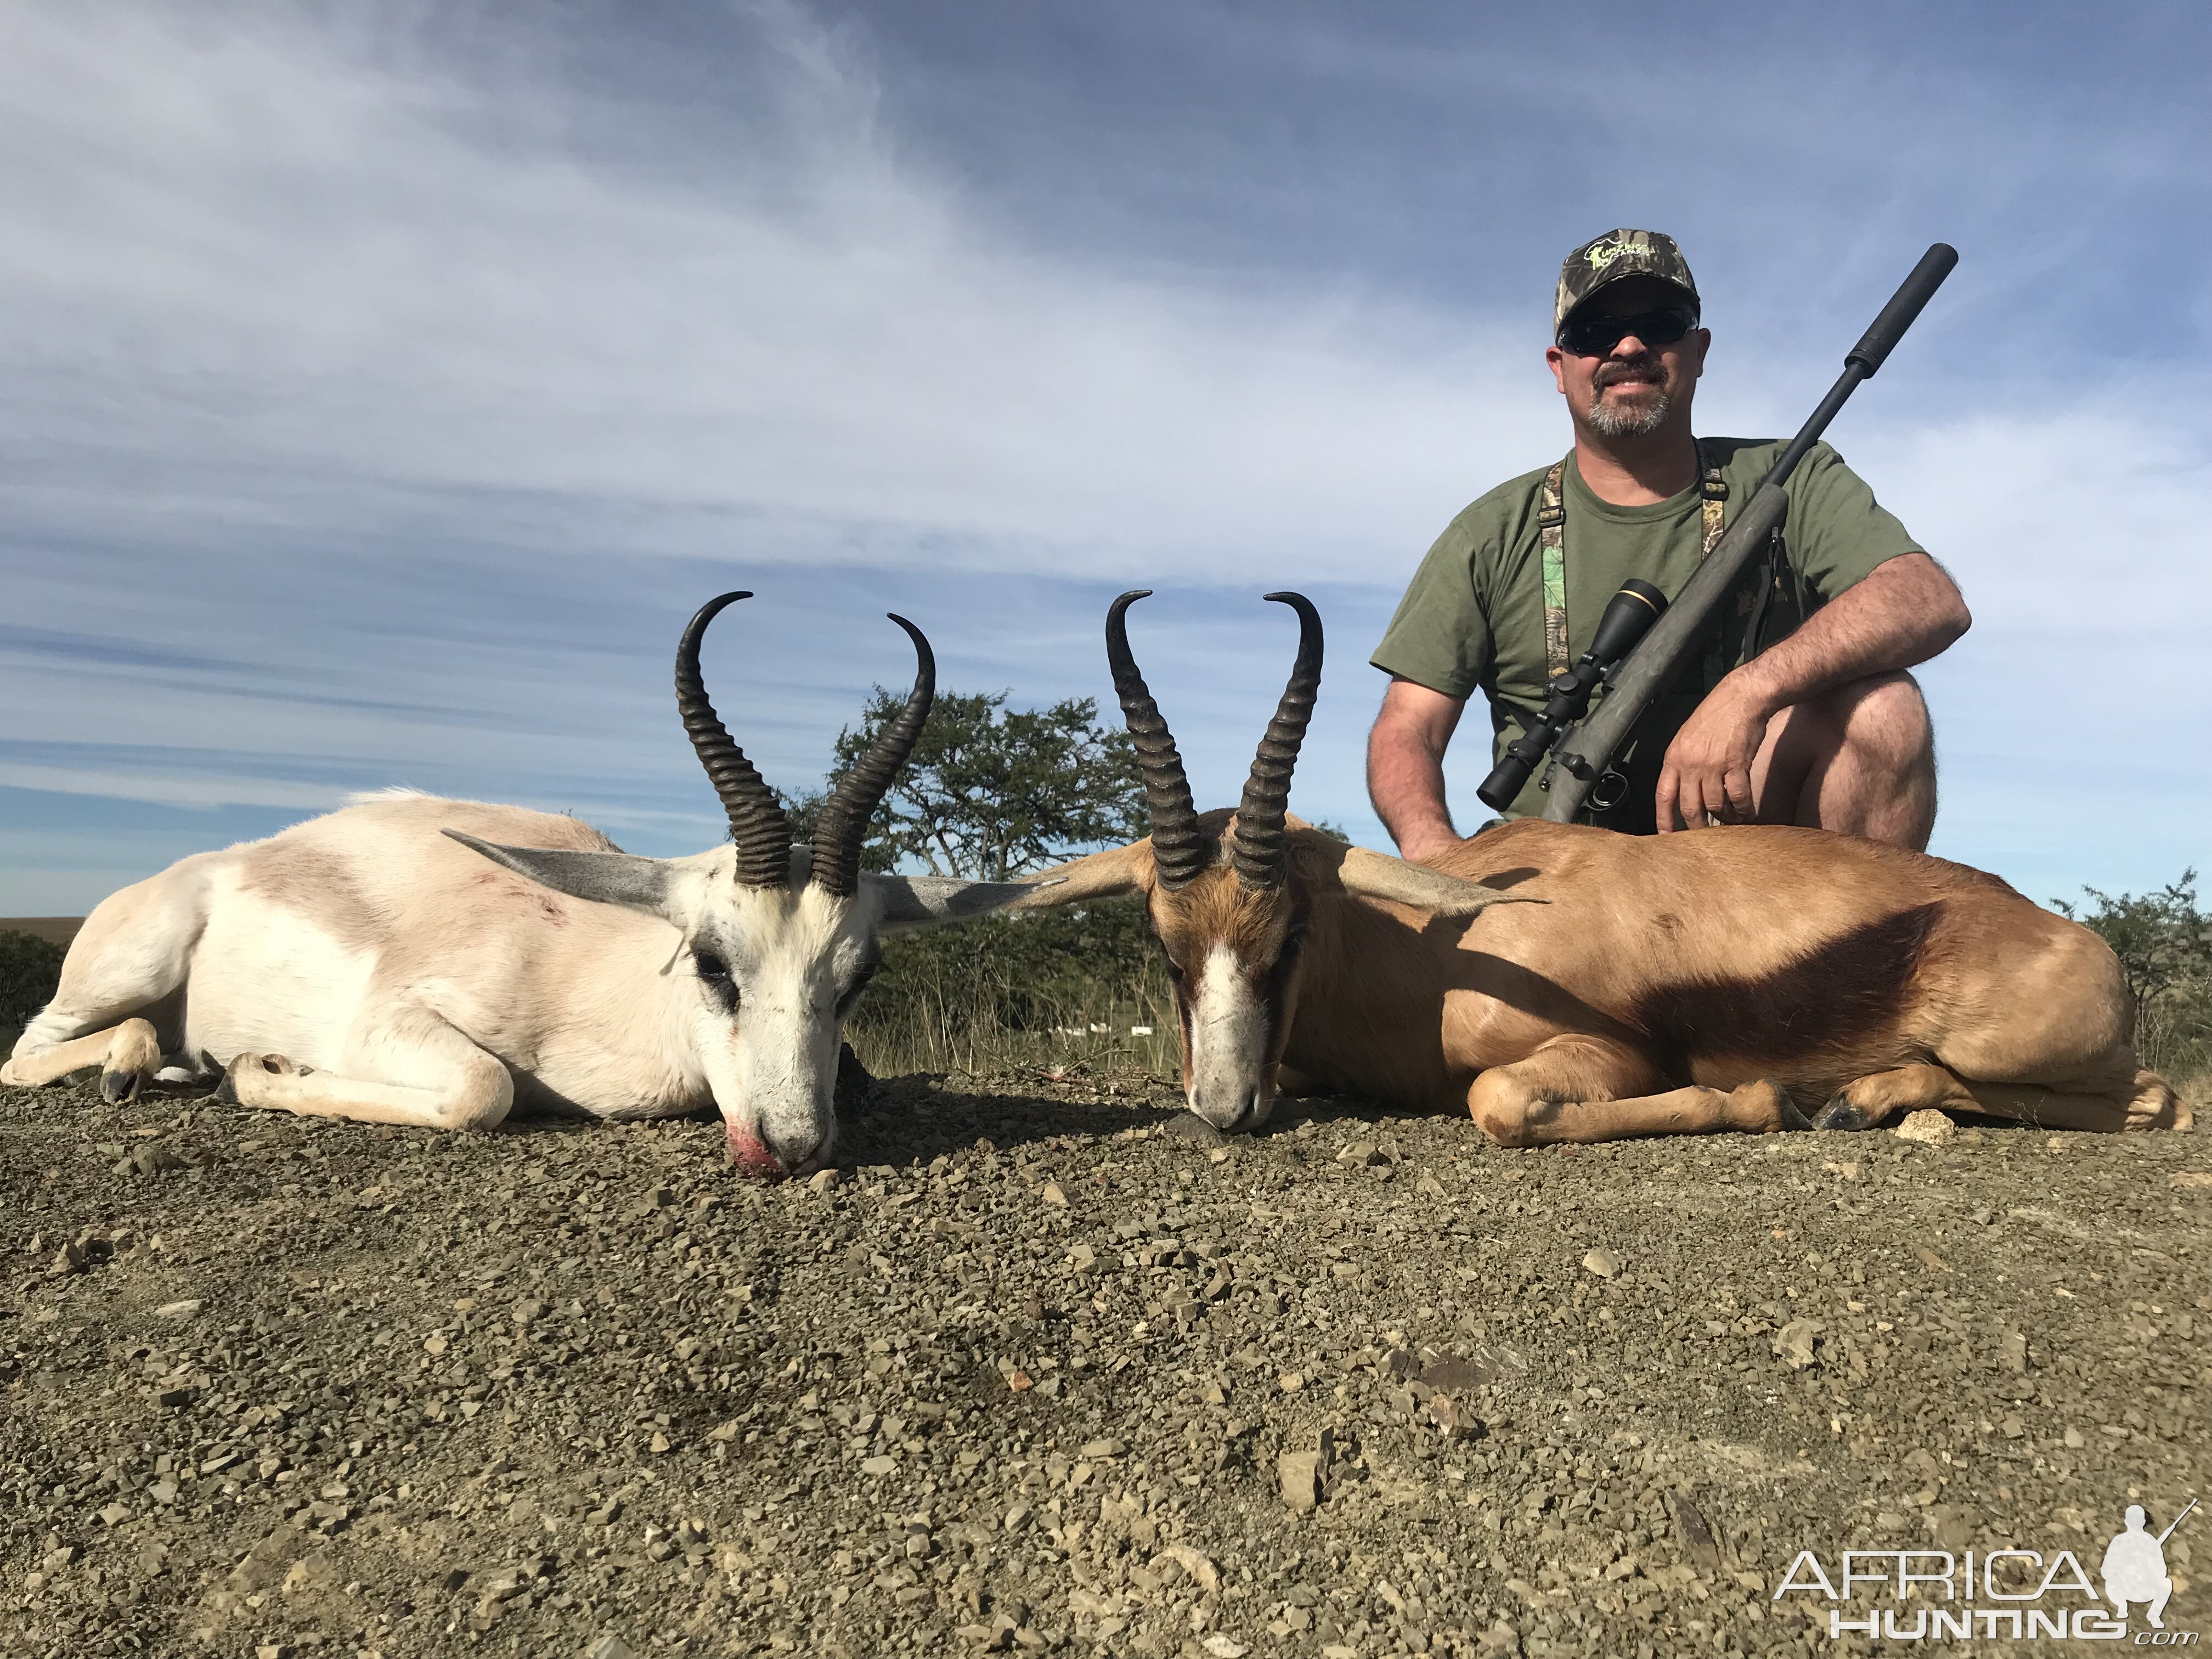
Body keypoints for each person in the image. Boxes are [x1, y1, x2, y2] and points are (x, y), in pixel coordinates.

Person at [1368, 228, 1971, 855]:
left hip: (1732, 853)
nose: (1628, 346)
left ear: (1700, 349)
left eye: (1660, 322)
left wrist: (1749, 691)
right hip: (1548, 871)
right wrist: (1434, 854)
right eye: (1595, 331)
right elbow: (1408, 726)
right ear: (1560, 365)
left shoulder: (1794, 476)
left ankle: (1846, 955)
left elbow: (1927, 600)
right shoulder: (1488, 531)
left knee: (1883, 710)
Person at [2101, 1504, 2174, 1628]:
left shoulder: (2119, 1541)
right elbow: (2162, 1572)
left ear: (2126, 1522)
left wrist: (2141, 1569)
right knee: (2167, 1583)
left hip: (2124, 1591)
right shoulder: (2151, 1542)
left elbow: (2106, 1571)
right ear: (2144, 1522)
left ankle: (2122, 1606)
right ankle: (2154, 1615)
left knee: (2109, 1583)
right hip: (2144, 1592)